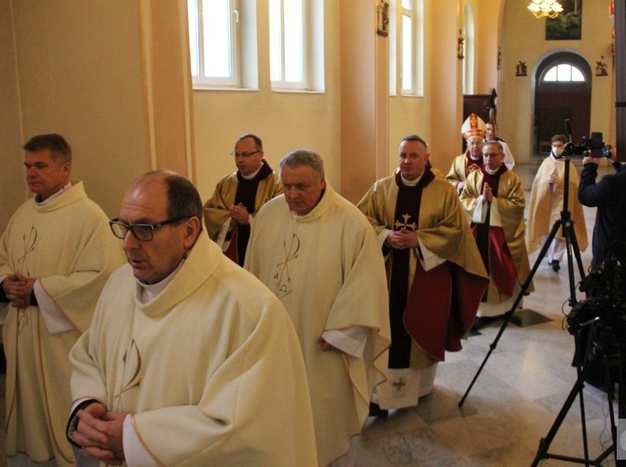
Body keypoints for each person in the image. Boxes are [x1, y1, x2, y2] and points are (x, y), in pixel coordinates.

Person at [67, 170, 317, 466]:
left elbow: (247, 429)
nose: (128, 244)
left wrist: (133, 438)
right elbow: (91, 355)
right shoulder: (119, 284)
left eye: (144, 228)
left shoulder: (249, 310)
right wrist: (89, 403)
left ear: (188, 231)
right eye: (124, 226)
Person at [245, 149, 390, 466]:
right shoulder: (269, 215)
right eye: (286, 186)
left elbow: (364, 287)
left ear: (322, 182)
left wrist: (343, 334)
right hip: (274, 341)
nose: (292, 195)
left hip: (321, 347)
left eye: (301, 187)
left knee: (323, 422)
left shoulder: (350, 223)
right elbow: (250, 277)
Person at [0, 133, 123, 466]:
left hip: (61, 342)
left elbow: (102, 278)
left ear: (65, 168)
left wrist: (39, 290)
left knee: (61, 417)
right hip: (23, 337)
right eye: (27, 166)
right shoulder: (23, 214)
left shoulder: (89, 216)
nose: (30, 173)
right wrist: (6, 282)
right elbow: (5, 258)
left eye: (40, 165)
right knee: (28, 420)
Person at [357, 135, 488, 411]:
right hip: (389, 275)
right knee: (387, 328)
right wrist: (384, 235)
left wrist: (419, 240)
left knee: (420, 328)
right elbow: (361, 220)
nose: (407, 161)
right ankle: (381, 396)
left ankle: (419, 389)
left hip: (426, 278)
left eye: (414, 156)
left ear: (426, 159)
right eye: (403, 155)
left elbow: (456, 231)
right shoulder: (381, 189)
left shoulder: (443, 191)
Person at [577, 144, 626, 392]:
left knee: (601, 313)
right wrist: (622, 159)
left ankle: (597, 373)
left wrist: (589, 166)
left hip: (607, 259)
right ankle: (623, 372)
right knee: (625, 317)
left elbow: (585, 195)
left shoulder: (612, 183)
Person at [459, 140, 532, 320]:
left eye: (492, 155)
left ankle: (502, 308)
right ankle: (478, 309)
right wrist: (480, 202)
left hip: (501, 235)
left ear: (502, 157)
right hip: (478, 232)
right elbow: (463, 200)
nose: (488, 159)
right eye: (485, 155)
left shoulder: (511, 179)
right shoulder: (475, 176)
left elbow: (518, 206)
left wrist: (495, 202)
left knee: (502, 265)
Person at [203, 133, 282, 265]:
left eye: (245, 155)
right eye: (236, 154)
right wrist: (230, 219)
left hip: (264, 256)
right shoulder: (226, 183)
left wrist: (249, 219)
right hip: (233, 255)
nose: (239, 160)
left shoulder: (276, 183)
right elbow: (211, 212)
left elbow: (279, 218)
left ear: (261, 155)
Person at [526, 134, 588, 272]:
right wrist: (547, 182)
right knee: (546, 226)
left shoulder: (569, 165)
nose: (556, 148)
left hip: (562, 201)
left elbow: (573, 185)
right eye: (554, 146)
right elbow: (538, 183)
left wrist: (560, 182)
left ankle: (556, 258)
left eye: (559, 146)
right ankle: (548, 255)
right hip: (546, 201)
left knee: (560, 230)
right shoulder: (546, 163)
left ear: (564, 147)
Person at [446, 113, 486, 193]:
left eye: (478, 143)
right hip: (463, 198)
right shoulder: (458, 161)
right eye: (472, 143)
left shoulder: (487, 160)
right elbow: (449, 179)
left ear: (483, 144)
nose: (475, 146)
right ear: (467, 144)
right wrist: (459, 184)